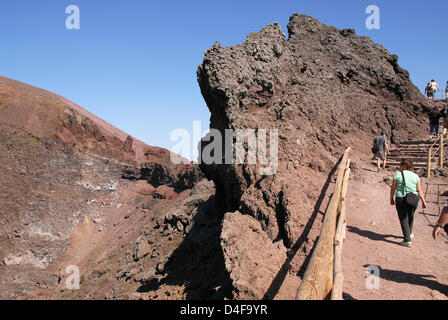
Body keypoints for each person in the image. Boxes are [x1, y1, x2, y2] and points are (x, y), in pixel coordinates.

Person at [390, 159, 427, 247]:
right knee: (410, 216)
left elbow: (393, 188)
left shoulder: (397, 174)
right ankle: (409, 233)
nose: (399, 167)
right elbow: (419, 190)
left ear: (404, 166)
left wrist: (391, 198)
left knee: (403, 218)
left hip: (401, 198)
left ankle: (407, 240)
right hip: (414, 199)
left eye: (400, 165)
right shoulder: (415, 176)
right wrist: (423, 201)